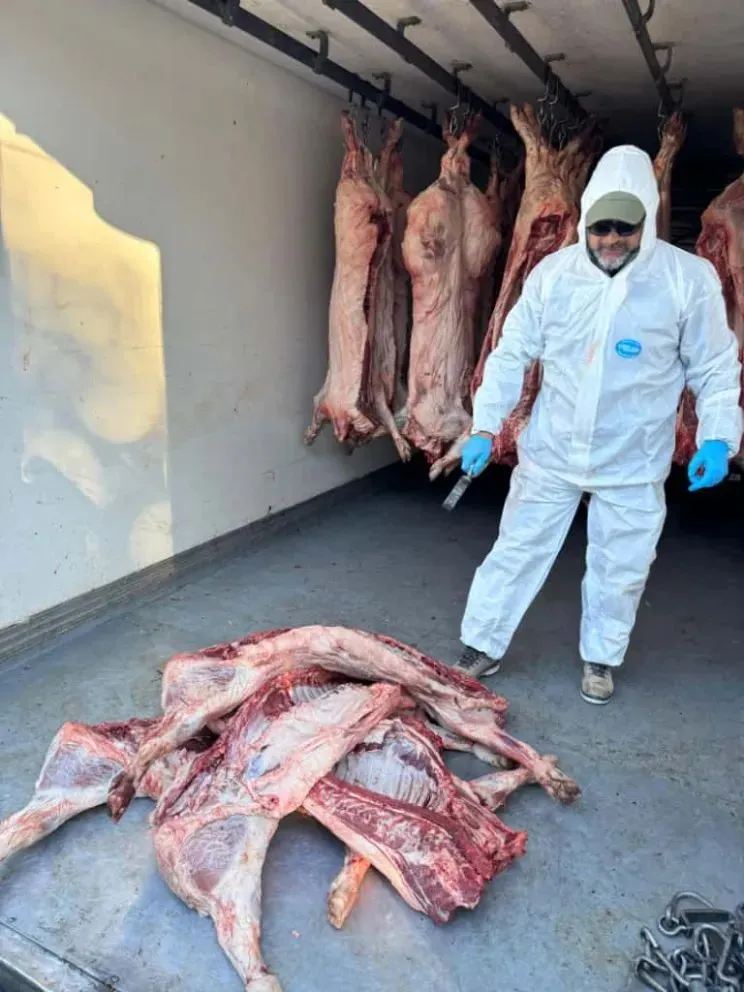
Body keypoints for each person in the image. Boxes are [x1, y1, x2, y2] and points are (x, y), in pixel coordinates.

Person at [454, 144, 743, 704]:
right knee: (516, 549)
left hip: (633, 456)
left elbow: (713, 366)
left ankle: (601, 658)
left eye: (625, 229)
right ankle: (481, 643)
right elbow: (512, 353)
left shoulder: (687, 280)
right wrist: (485, 426)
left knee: (621, 565)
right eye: (601, 227)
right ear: (586, 218)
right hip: (552, 448)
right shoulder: (554, 275)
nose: (611, 239)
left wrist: (716, 437)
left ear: (647, 223)